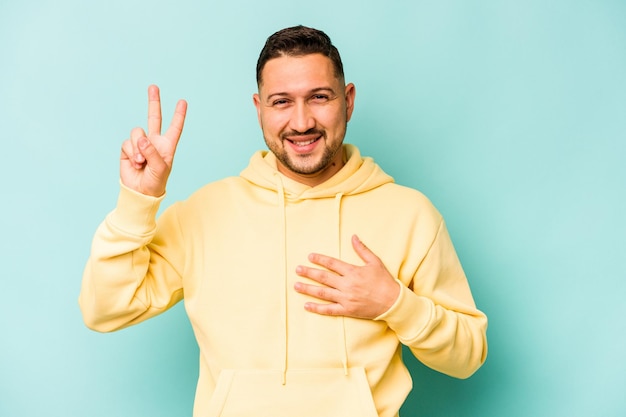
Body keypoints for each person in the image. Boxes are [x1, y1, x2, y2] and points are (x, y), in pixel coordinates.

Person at [79, 25, 488, 417]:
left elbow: (468, 355)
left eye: (319, 97)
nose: (302, 121)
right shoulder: (203, 214)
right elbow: (106, 309)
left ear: (348, 100)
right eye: (281, 101)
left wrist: (396, 304)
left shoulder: (410, 214)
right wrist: (139, 200)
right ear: (259, 108)